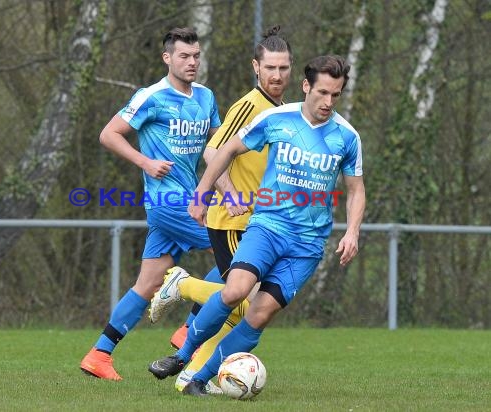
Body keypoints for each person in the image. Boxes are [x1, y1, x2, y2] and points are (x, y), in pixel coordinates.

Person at [148, 54, 366, 396]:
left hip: (307, 246)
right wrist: (203, 192)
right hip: (267, 226)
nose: (328, 102)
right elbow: (226, 148)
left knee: (260, 314)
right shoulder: (277, 118)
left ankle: (199, 379)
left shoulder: (347, 137)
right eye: (322, 92)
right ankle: (182, 354)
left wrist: (352, 231)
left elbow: (356, 189)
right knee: (235, 291)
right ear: (306, 86)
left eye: (335, 95)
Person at [147, 26, 293, 392]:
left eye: (284, 68)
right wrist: (225, 191)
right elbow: (214, 150)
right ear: (256, 67)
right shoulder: (249, 105)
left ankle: (194, 371)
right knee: (240, 301)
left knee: (241, 304)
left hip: (261, 222)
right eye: (270, 68)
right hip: (232, 220)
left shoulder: (282, 110)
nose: (277, 75)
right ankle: (183, 286)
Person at [79, 27, 221, 381]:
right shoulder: (151, 96)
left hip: (191, 198)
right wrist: (145, 162)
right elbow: (108, 134)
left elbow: (215, 152)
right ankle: (191, 328)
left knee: (147, 282)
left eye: (196, 56)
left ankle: (99, 354)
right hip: (167, 202)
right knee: (235, 251)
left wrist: (225, 191)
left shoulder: (206, 97)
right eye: (184, 56)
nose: (192, 62)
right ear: (167, 58)